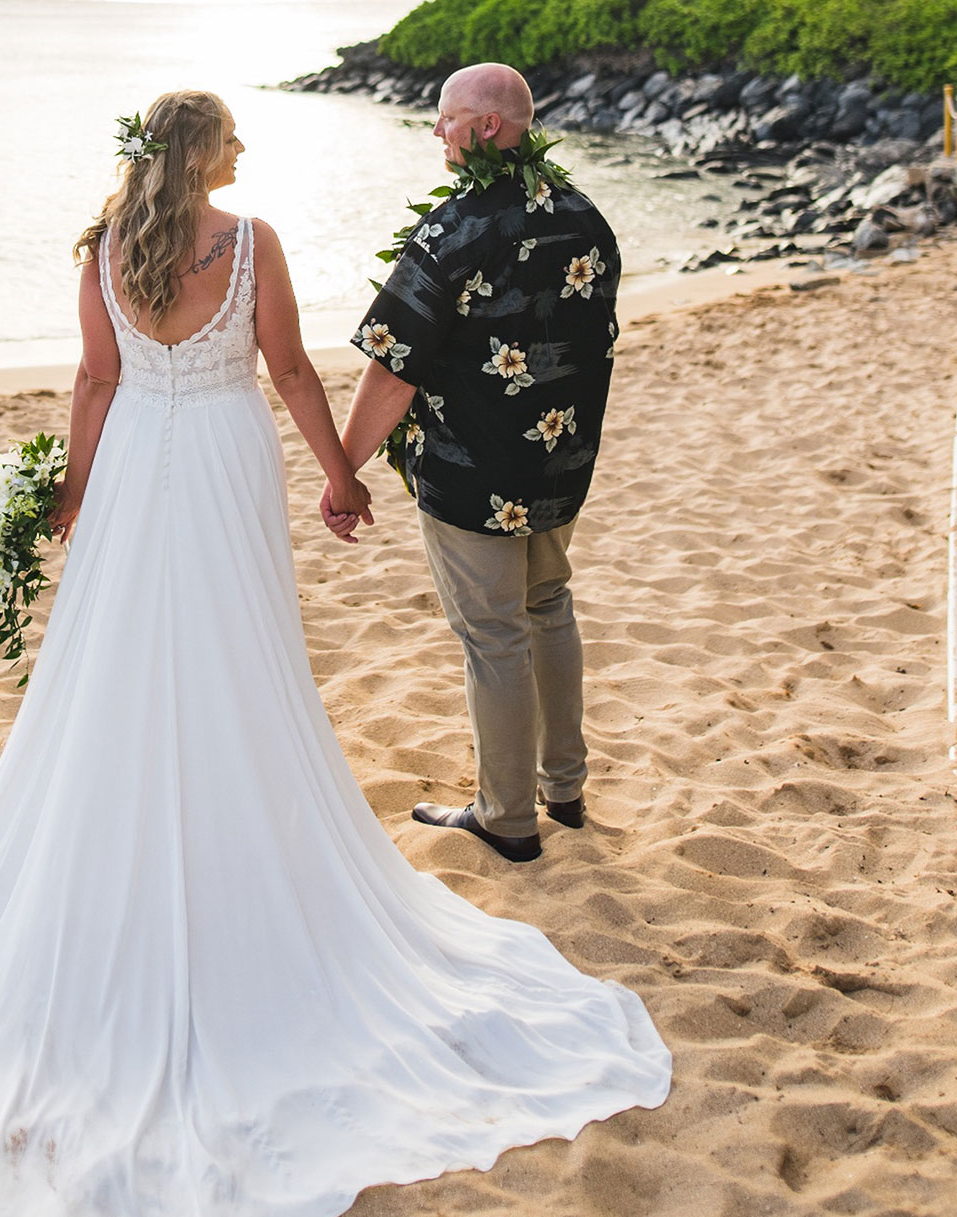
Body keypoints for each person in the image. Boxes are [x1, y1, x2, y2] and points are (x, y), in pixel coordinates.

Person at [0, 89, 668, 1217]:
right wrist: (338, 474)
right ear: (202, 153)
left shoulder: (104, 251)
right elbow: (285, 373)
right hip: (227, 456)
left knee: (121, 651)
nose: (244, 149)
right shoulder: (251, 243)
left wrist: (78, 494)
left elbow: (95, 381)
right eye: (232, 136)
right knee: (237, 655)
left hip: (136, 459)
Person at [326, 64, 620, 865]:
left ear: (486, 127)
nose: (436, 131)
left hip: (473, 472)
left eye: (446, 118)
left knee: (493, 635)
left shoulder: (453, 229)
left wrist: (343, 469)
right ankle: (565, 786)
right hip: (559, 467)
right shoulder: (585, 215)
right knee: (549, 605)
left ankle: (505, 816)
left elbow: (391, 367)